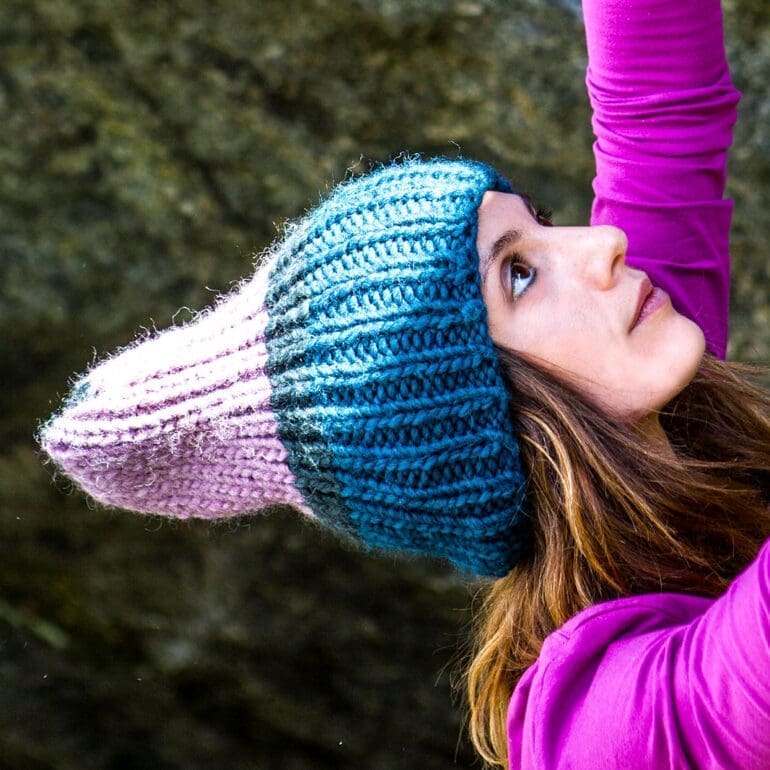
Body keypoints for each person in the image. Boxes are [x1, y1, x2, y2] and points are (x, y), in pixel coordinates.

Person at [39, 0, 769, 768]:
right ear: (480, 426)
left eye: (543, 222)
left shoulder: (663, 428)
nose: (605, 244)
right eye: (518, 274)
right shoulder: (607, 729)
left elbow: (657, 110)